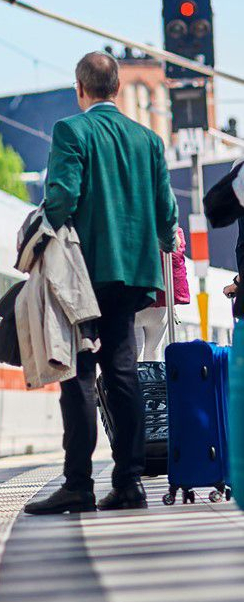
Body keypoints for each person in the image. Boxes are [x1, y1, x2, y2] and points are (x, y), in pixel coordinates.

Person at [25, 51, 178, 515]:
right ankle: (129, 483)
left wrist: (39, 232)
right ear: (116, 88)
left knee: (78, 376)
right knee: (123, 371)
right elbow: (167, 216)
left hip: (84, 277)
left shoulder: (71, 131)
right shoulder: (148, 141)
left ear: (80, 88)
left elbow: (63, 197)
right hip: (134, 276)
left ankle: (78, 485)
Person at [135, 227, 190, 361]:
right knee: (154, 357)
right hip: (161, 307)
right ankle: (154, 382)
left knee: (135, 357)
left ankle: (135, 382)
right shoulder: (174, 232)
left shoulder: (134, 226)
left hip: (136, 303)